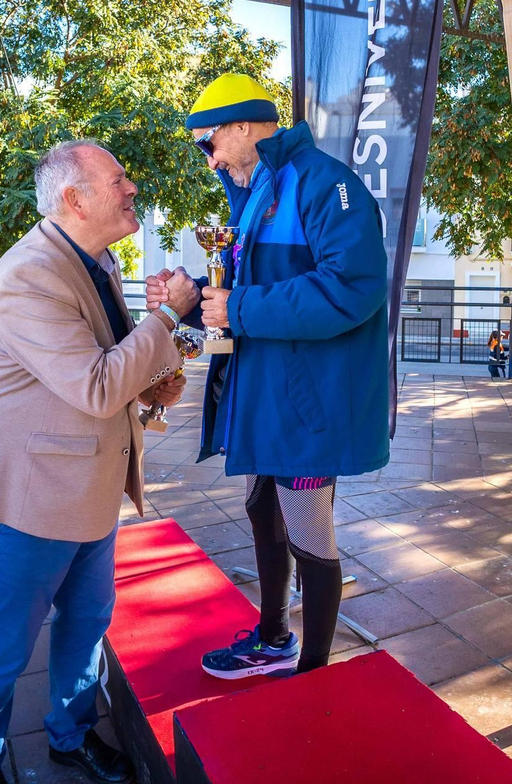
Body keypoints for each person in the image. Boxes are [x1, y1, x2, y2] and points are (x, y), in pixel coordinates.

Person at [0, 141, 191, 784]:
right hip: (24, 501)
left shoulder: (97, 262)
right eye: (119, 179)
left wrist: (154, 382)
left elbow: (112, 368)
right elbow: (95, 385)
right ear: (74, 198)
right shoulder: (29, 273)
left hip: (88, 487)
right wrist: (169, 314)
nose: (132, 186)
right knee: (3, 646)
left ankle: (70, 735)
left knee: (86, 625)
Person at [146, 73, 390, 679]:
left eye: (211, 145)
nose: (211, 161)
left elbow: (352, 289)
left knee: (310, 530)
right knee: (262, 510)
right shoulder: (258, 188)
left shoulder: (325, 183)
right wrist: (194, 294)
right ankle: (274, 636)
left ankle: (311, 670)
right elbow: (247, 292)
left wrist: (239, 308)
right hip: (268, 392)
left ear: (246, 127)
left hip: (307, 400)